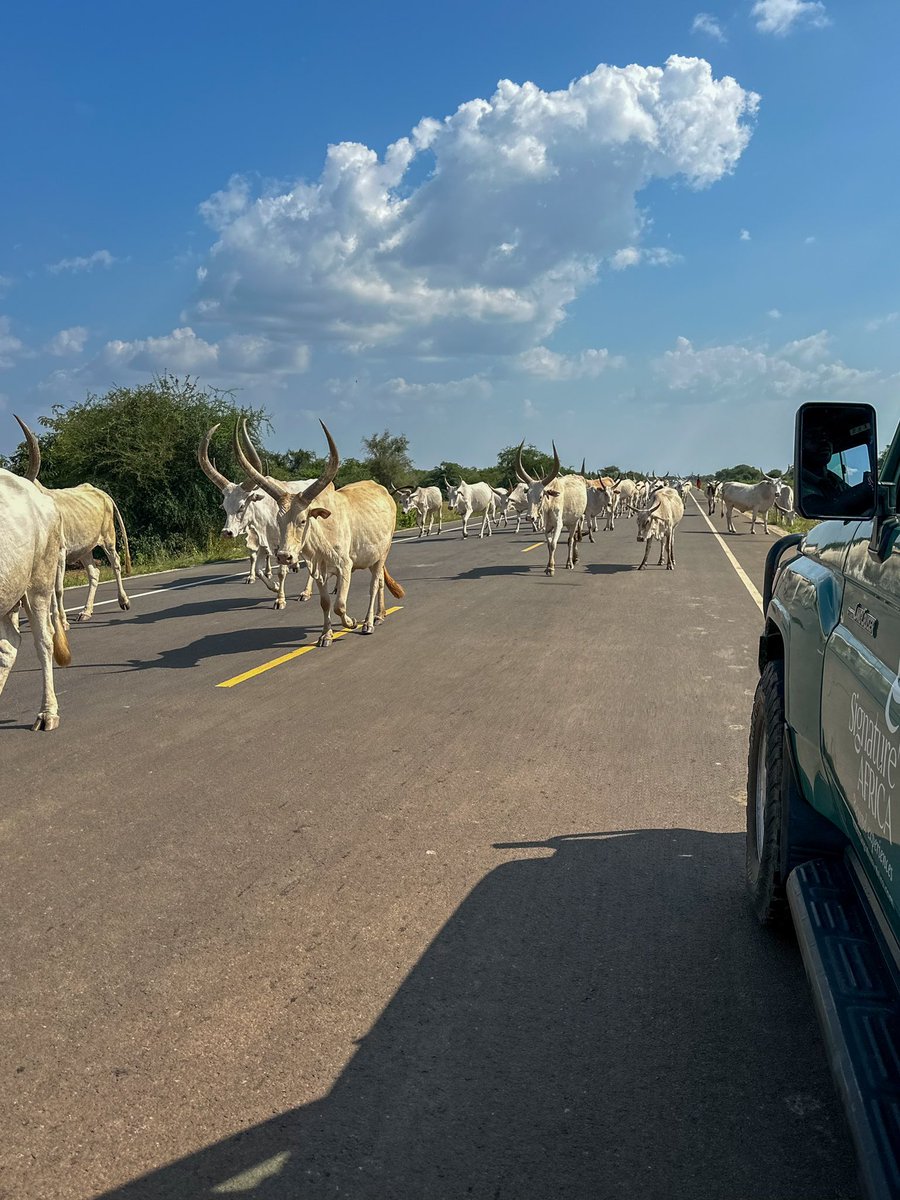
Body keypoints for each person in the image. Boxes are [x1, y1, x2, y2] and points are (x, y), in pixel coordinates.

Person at [800, 424, 874, 517]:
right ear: (800, 447)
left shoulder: (833, 479)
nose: (823, 440)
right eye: (813, 436)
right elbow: (827, 509)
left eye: (826, 436)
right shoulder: (800, 482)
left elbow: (851, 500)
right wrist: (866, 487)